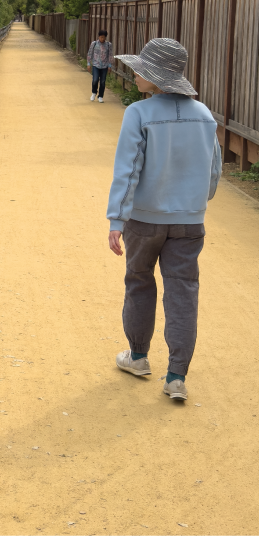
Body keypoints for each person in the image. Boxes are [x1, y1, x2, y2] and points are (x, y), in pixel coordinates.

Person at [106, 38, 221, 402]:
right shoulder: (204, 115)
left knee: (139, 281)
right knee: (183, 291)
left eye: (141, 68)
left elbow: (128, 171)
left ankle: (138, 357)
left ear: (155, 77)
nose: (135, 72)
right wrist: (193, 203)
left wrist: (116, 219)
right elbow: (214, 172)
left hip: (144, 220)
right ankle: (176, 376)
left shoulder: (138, 113)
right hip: (190, 223)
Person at [86, 29, 113, 102]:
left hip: (104, 66)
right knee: (95, 80)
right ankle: (94, 93)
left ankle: (100, 96)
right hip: (95, 65)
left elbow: (110, 55)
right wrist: (88, 64)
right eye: (101, 37)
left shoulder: (108, 45)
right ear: (98, 37)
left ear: (105, 37)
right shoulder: (94, 44)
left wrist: (110, 65)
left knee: (102, 81)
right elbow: (90, 53)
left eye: (103, 37)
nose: (102, 39)